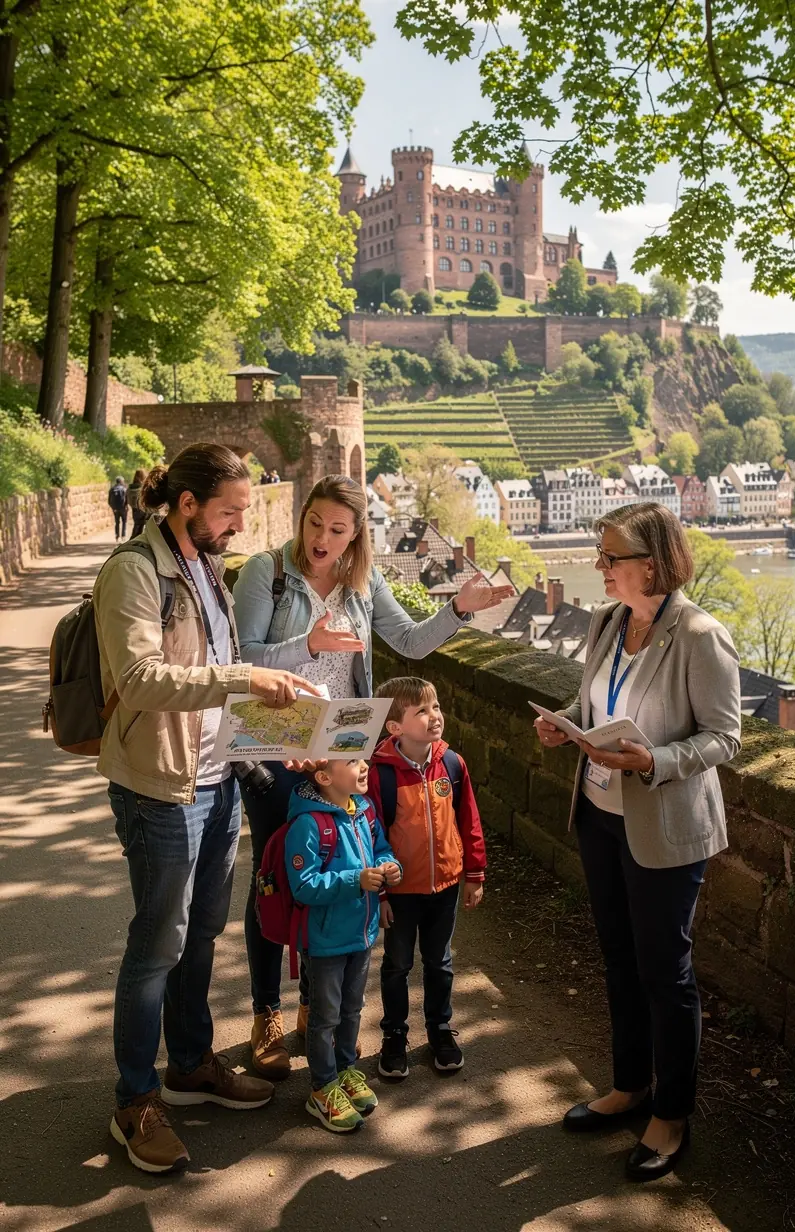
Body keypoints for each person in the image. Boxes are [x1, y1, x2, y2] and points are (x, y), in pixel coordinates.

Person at [233, 474, 513, 1081]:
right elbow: (244, 659)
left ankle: (313, 1004)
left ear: (356, 532)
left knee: (333, 876)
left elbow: (409, 643)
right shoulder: (266, 573)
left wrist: (459, 608)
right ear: (302, 516)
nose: (321, 539)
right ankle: (265, 1015)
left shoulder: (364, 580)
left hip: (341, 750)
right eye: (314, 523)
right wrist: (306, 643)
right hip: (278, 746)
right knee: (278, 880)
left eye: (337, 530)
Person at [93, 442, 320, 1175]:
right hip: (161, 787)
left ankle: (189, 1065)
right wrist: (246, 676)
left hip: (219, 781)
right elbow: (141, 679)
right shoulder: (135, 571)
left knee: (200, 939)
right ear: (187, 504)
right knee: (157, 945)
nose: (237, 525)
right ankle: (135, 1099)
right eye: (229, 511)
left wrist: (291, 737)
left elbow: (222, 697)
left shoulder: (206, 565)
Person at [534, 502, 741, 1182]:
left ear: (649, 563)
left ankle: (671, 1114)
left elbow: (724, 738)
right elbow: (594, 705)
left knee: (665, 973)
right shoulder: (605, 621)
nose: (600, 567)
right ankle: (629, 1086)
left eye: (609, 557)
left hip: (664, 824)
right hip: (598, 815)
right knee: (618, 959)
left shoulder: (700, 634)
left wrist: (654, 762)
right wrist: (565, 723)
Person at [367, 676, 486, 1079]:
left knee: (440, 962)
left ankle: (439, 1029)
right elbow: (372, 834)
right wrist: (380, 894)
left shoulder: (452, 763)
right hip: (400, 890)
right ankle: (394, 1035)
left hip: (446, 885)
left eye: (435, 707)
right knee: (397, 964)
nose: (434, 716)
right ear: (394, 727)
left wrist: (474, 872)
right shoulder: (379, 774)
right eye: (421, 711)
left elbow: (468, 819)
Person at [285, 759, 401, 1132]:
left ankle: (346, 1070)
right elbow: (302, 884)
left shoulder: (363, 810)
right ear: (323, 778)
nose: (364, 765)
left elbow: (380, 848)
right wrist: (356, 880)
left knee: (353, 1009)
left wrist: (389, 867)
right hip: (325, 942)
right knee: (325, 1018)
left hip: (361, 933)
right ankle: (321, 1088)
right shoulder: (307, 823)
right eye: (352, 761)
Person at [127, 468, 148, 538]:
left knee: (137, 528)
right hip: (144, 509)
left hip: (135, 510)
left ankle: (133, 542)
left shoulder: (130, 487)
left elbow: (127, 499)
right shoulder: (143, 487)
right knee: (146, 529)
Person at [108, 475, 128, 541]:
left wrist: (113, 508)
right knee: (124, 522)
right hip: (123, 509)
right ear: (122, 481)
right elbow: (127, 499)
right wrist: (126, 506)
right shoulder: (124, 489)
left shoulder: (112, 489)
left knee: (117, 522)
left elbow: (109, 501)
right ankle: (123, 536)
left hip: (115, 509)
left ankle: (117, 536)